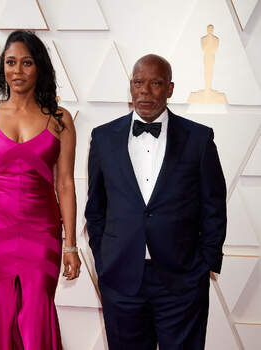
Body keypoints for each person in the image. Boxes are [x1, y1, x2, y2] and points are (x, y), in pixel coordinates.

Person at [85, 54, 226, 350]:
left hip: (182, 281)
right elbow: (95, 209)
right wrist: (104, 260)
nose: (145, 91)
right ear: (131, 87)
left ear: (170, 89)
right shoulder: (103, 138)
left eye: (155, 83)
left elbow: (214, 207)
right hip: (121, 279)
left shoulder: (199, 139)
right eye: (138, 83)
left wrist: (204, 264)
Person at [0, 30, 81, 350]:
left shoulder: (60, 119)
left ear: (40, 69)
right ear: (2, 69)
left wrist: (71, 245)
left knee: (37, 314)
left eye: (26, 63)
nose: (18, 71)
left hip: (42, 234)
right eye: (11, 62)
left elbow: (65, 184)